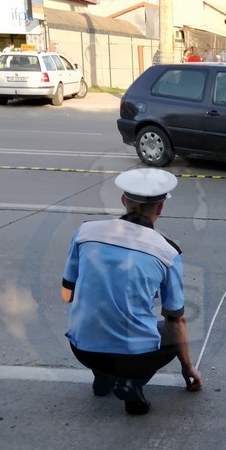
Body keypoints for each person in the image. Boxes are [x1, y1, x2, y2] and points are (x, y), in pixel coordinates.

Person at [61, 168, 203, 415]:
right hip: (135, 356)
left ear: (123, 201)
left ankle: (102, 377)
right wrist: (188, 367)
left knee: (98, 320)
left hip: (82, 348)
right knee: (171, 334)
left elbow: (67, 291)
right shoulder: (167, 253)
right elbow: (175, 319)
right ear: (160, 208)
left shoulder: (85, 232)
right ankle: (131, 382)